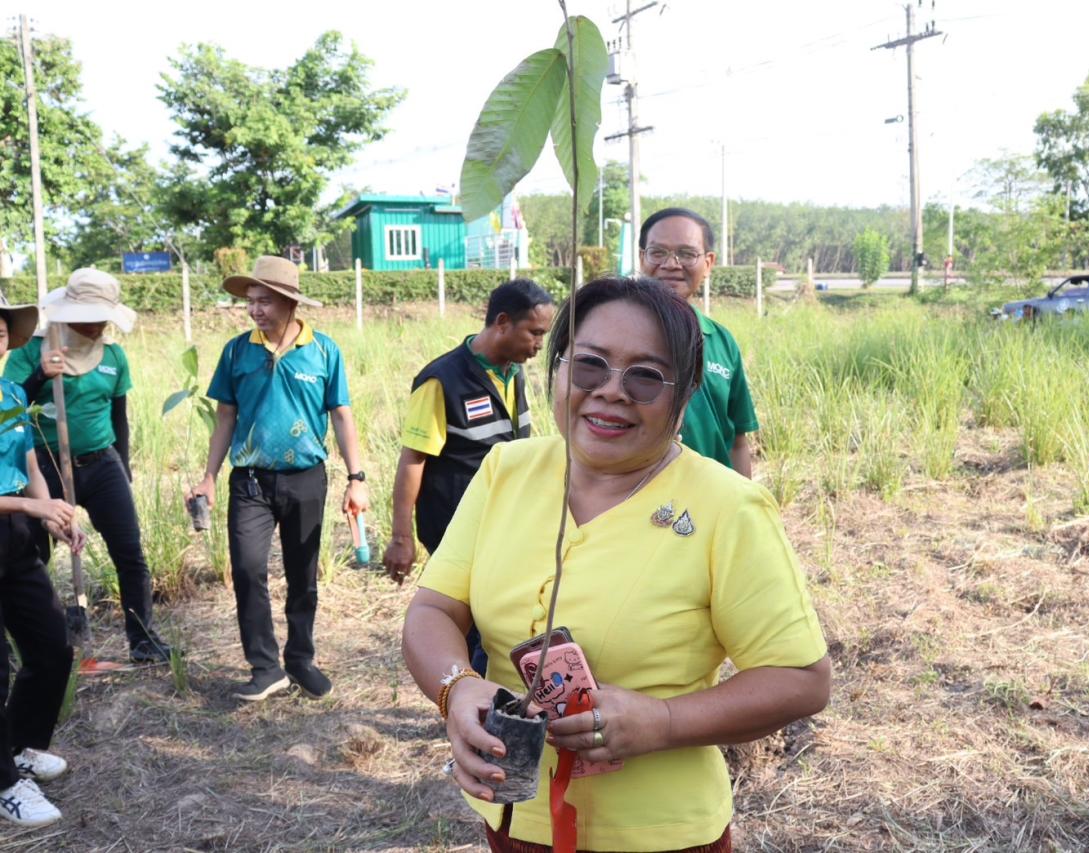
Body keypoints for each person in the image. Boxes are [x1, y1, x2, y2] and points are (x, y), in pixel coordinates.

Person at [403, 277, 830, 852]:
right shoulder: (506, 470)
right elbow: (433, 608)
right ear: (555, 370)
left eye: (645, 376)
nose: (610, 391)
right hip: (512, 818)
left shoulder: (728, 507)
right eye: (588, 366)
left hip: (660, 836)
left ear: (686, 393)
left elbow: (801, 681)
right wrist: (457, 688)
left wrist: (665, 721)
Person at [189, 256, 370, 702]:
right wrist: (209, 476)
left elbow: (342, 415)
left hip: (306, 478)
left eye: (264, 301)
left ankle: (300, 659)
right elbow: (225, 415)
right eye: (250, 302)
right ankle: (265, 667)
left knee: (302, 574)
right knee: (249, 571)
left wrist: (357, 477)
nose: (254, 310)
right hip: (249, 481)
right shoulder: (236, 351)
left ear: (289, 302)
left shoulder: (324, 350)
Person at [383, 279, 554, 675]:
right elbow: (413, 459)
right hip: (456, 528)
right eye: (535, 333)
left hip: (504, 524)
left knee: (496, 620)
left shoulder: (514, 375)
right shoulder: (441, 381)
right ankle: (470, 702)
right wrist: (401, 537)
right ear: (502, 322)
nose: (539, 345)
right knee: (475, 624)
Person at [2, 269, 170, 663]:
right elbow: (8, 411)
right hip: (44, 466)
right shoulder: (33, 350)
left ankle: (143, 638)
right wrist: (41, 374)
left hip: (101, 461)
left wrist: (124, 468)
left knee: (130, 552)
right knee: (31, 556)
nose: (97, 325)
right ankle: (24, 644)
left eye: (102, 317)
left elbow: (120, 418)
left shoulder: (113, 355)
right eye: (90, 315)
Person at [0, 296, 86, 827]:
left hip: (15, 537)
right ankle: (6, 786)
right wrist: (32, 504)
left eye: (1, 330)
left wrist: (51, 510)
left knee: (52, 646)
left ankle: (22, 745)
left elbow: (29, 460)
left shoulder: (11, 394)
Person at [638, 208, 758, 478]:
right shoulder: (615, 335)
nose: (671, 264)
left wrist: (745, 505)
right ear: (641, 257)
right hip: (638, 502)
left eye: (687, 253)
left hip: (713, 503)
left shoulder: (722, 341)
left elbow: (737, 441)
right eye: (658, 252)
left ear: (709, 262)